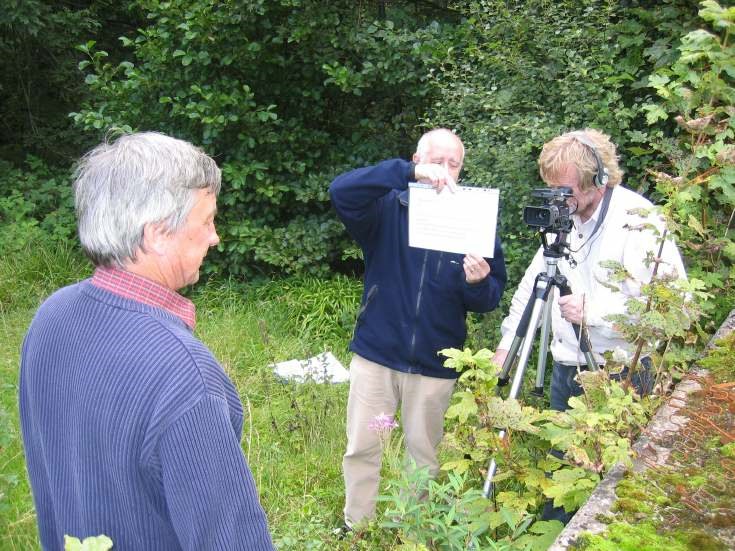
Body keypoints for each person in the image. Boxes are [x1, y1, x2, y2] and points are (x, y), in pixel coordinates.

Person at [19, 132, 274, 550]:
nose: (215, 237)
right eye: (207, 219)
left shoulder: (52, 316)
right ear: (157, 234)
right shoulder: (184, 373)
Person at [492, 128, 686, 522]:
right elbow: (533, 288)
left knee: (615, 485)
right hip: (568, 371)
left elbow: (675, 310)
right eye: (551, 189)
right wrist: (505, 346)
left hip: (623, 374)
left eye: (565, 190)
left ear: (597, 180)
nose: (558, 201)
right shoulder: (565, 220)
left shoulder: (639, 221)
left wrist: (593, 312)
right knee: (565, 481)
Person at [329, 128, 507, 529]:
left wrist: (477, 282)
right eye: (435, 161)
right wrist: (408, 174)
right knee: (363, 446)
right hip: (377, 352)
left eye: (453, 163)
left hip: (435, 361)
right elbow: (341, 190)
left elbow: (490, 297)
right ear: (417, 160)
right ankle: (357, 526)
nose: (445, 170)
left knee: (423, 454)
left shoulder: (474, 218)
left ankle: (410, 529)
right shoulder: (386, 209)